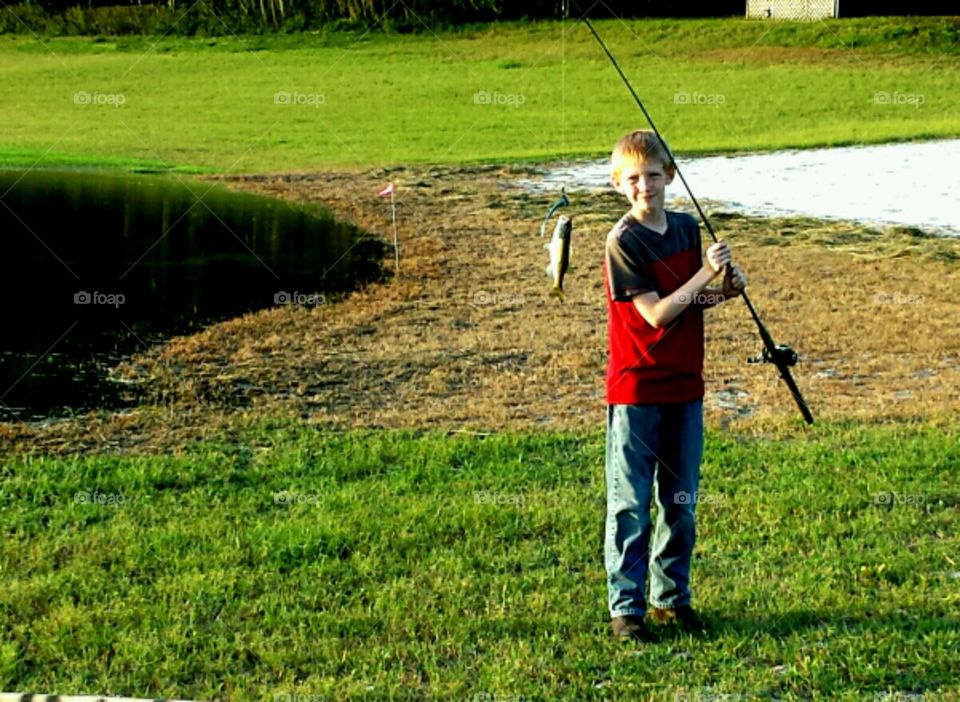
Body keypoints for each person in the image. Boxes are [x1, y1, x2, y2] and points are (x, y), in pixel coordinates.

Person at [603, 129, 747, 642]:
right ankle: (627, 610)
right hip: (636, 390)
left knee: (680, 502)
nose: (646, 186)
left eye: (654, 175)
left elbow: (694, 304)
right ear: (620, 184)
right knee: (631, 506)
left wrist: (726, 290)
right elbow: (661, 313)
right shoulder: (621, 241)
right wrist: (706, 275)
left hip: (686, 387)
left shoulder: (687, 230)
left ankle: (671, 600)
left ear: (671, 175)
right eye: (634, 178)